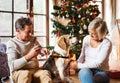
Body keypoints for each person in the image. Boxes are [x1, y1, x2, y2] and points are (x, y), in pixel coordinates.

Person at [6, 17, 52, 83]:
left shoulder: (32, 39)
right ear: (18, 31)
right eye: (28, 32)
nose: (31, 34)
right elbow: (12, 65)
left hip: (35, 70)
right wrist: (30, 55)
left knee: (45, 74)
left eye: (31, 31)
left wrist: (42, 51)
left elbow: (39, 49)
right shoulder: (12, 43)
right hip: (19, 72)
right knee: (25, 75)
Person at [70, 17, 112, 83]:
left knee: (98, 78)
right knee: (84, 73)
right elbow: (82, 56)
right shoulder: (86, 39)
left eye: (93, 33)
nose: (90, 35)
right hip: (86, 69)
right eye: (90, 32)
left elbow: (98, 64)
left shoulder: (106, 43)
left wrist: (78, 66)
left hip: (101, 71)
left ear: (101, 33)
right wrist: (76, 63)